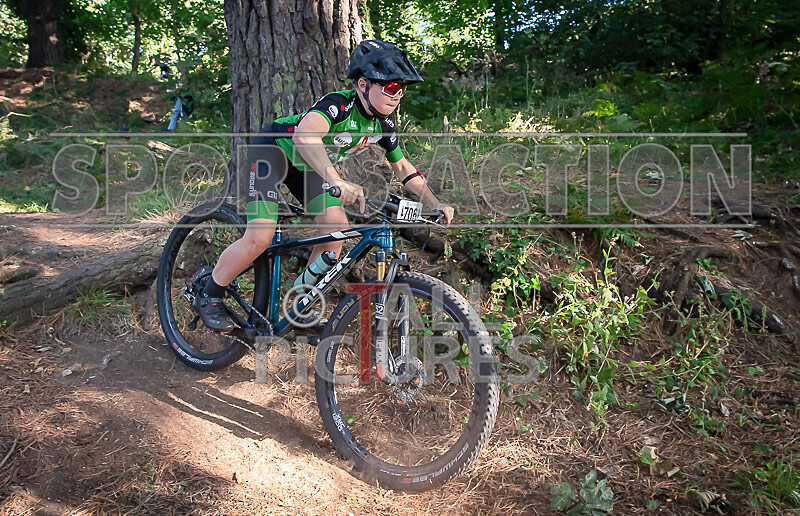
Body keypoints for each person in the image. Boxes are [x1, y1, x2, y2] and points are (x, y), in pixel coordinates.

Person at [192, 40, 455, 332]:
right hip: (272, 152)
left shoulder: (383, 125)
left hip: (306, 168)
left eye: (402, 89)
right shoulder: (338, 104)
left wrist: (436, 204)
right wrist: (336, 180)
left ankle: (298, 303)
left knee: (336, 229)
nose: (397, 96)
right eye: (391, 87)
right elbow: (304, 136)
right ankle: (210, 294)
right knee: (260, 236)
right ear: (364, 84)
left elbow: (403, 167)